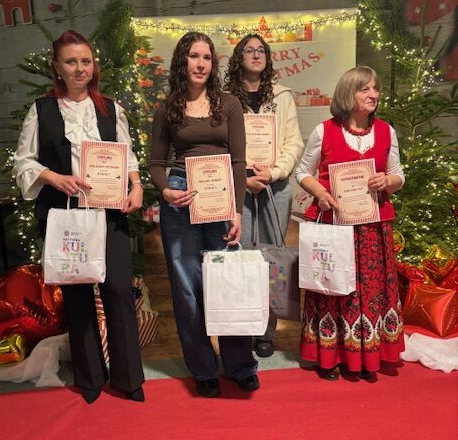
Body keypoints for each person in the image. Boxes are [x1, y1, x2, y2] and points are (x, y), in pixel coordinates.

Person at [13, 29, 145, 403]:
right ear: (57, 67)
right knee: (77, 295)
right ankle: (90, 380)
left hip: (109, 213)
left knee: (118, 290)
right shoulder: (41, 110)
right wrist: (55, 178)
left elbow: (128, 155)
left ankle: (128, 379)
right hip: (65, 215)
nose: (79, 68)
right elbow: (23, 162)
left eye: (85, 61)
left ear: (93, 65)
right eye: (70, 62)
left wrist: (136, 186)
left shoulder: (112, 109)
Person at [149, 31, 259, 398]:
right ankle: (203, 368)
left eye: (207, 57)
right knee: (187, 288)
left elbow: (239, 162)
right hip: (180, 196)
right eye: (194, 56)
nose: (201, 64)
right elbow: (156, 162)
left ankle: (240, 365)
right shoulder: (167, 108)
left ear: (214, 64)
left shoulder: (228, 104)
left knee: (228, 283)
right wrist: (165, 190)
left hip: (220, 195)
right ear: (182, 62)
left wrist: (237, 210)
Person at [295, 65, 405, 381]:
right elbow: (302, 172)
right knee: (333, 289)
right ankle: (330, 356)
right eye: (365, 89)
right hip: (335, 226)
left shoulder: (386, 131)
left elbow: (399, 175)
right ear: (348, 93)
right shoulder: (324, 131)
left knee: (371, 291)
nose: (373, 94)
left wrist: (388, 181)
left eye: (376, 88)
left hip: (372, 228)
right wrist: (320, 192)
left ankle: (369, 355)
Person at [224, 34, 304, 358]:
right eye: (249, 50)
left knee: (272, 261)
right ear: (238, 57)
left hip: (275, 188)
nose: (256, 55)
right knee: (241, 259)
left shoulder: (282, 96)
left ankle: (266, 332)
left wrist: (273, 173)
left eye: (261, 50)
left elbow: (294, 143)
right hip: (238, 188)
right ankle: (244, 328)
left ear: (267, 58)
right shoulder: (224, 97)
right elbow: (221, 143)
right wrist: (243, 177)